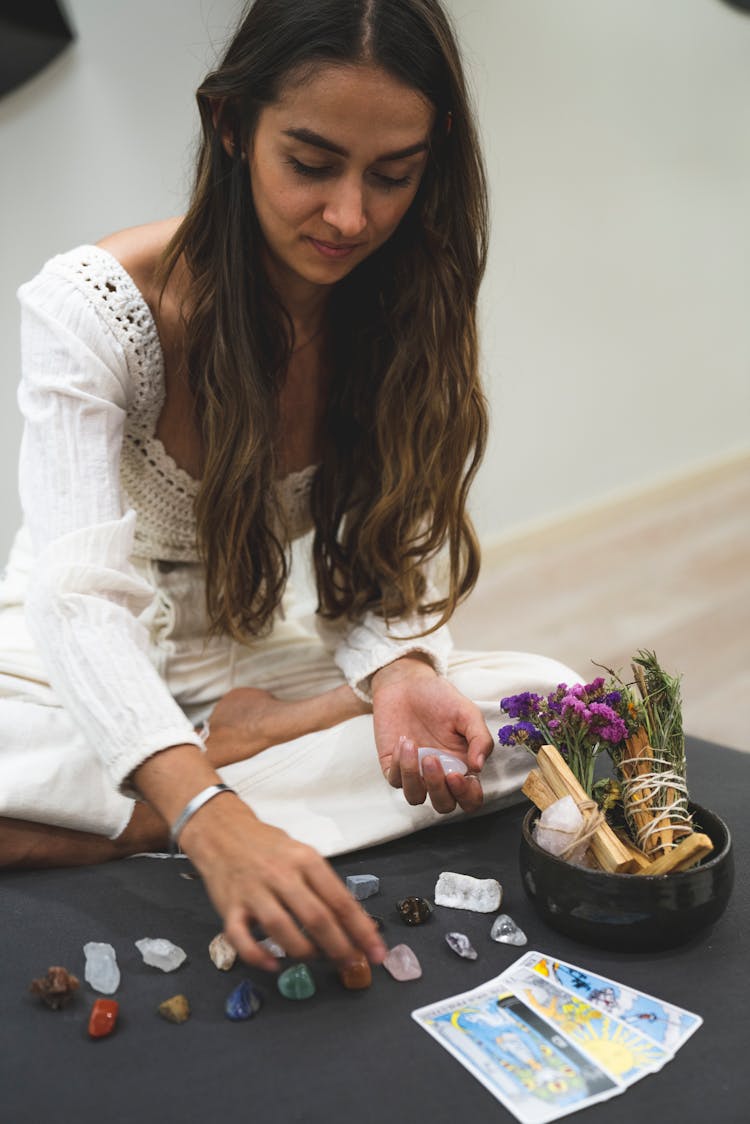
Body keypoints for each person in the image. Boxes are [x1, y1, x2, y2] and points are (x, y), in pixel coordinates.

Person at [0, 0, 577, 971]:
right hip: (61, 664)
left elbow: (388, 575)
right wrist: (203, 815)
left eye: (392, 175)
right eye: (312, 164)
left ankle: (191, 781)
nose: (351, 216)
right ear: (231, 125)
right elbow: (78, 603)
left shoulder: (404, 301)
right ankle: (186, 802)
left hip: (249, 665)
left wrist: (398, 677)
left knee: (545, 706)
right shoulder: (92, 305)